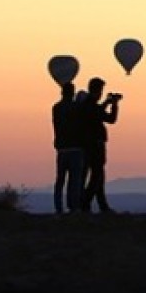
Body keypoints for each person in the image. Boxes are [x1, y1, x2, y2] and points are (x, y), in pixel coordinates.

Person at [79, 76, 120, 213]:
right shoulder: (88, 106)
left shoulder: (90, 106)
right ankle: (86, 202)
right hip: (93, 145)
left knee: (99, 176)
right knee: (96, 176)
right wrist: (109, 103)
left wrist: (112, 104)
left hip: (93, 145)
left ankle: (102, 206)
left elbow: (110, 118)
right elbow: (101, 116)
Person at [50, 82, 85, 214]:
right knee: (74, 180)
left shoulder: (56, 108)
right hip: (76, 147)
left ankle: (58, 207)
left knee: (60, 179)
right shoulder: (77, 108)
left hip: (62, 148)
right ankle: (73, 206)